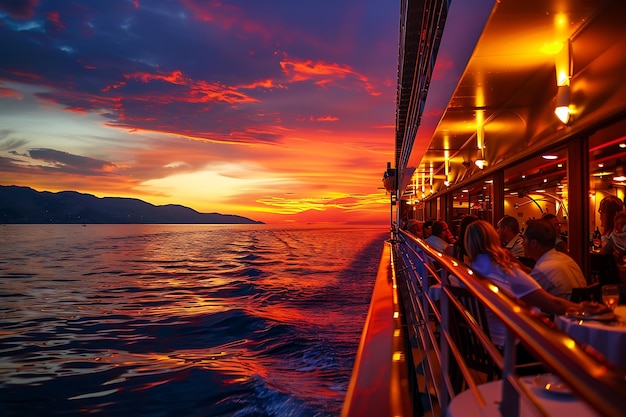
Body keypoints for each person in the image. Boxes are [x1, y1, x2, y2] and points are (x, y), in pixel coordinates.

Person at [464, 220, 607, 348]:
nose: (522, 243)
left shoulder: (463, 273)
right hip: (514, 345)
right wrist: (585, 309)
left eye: (524, 239)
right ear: (494, 240)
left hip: (481, 342)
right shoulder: (505, 271)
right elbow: (550, 303)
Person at [522, 219, 586, 299]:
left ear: (534, 243)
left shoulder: (543, 269)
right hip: (581, 308)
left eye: (524, 239)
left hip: (564, 310)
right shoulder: (565, 258)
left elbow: (525, 296)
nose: (522, 243)